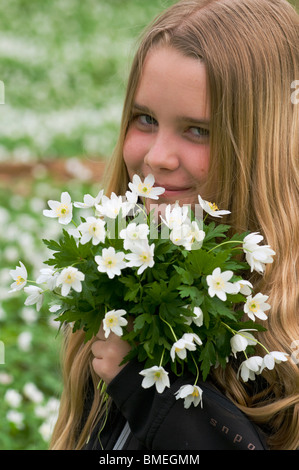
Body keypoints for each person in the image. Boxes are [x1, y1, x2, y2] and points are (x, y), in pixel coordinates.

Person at [50, 0, 299, 450]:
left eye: (198, 130)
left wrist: (147, 392)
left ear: (270, 145)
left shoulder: (284, 337)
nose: (156, 158)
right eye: (145, 119)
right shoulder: (120, 281)